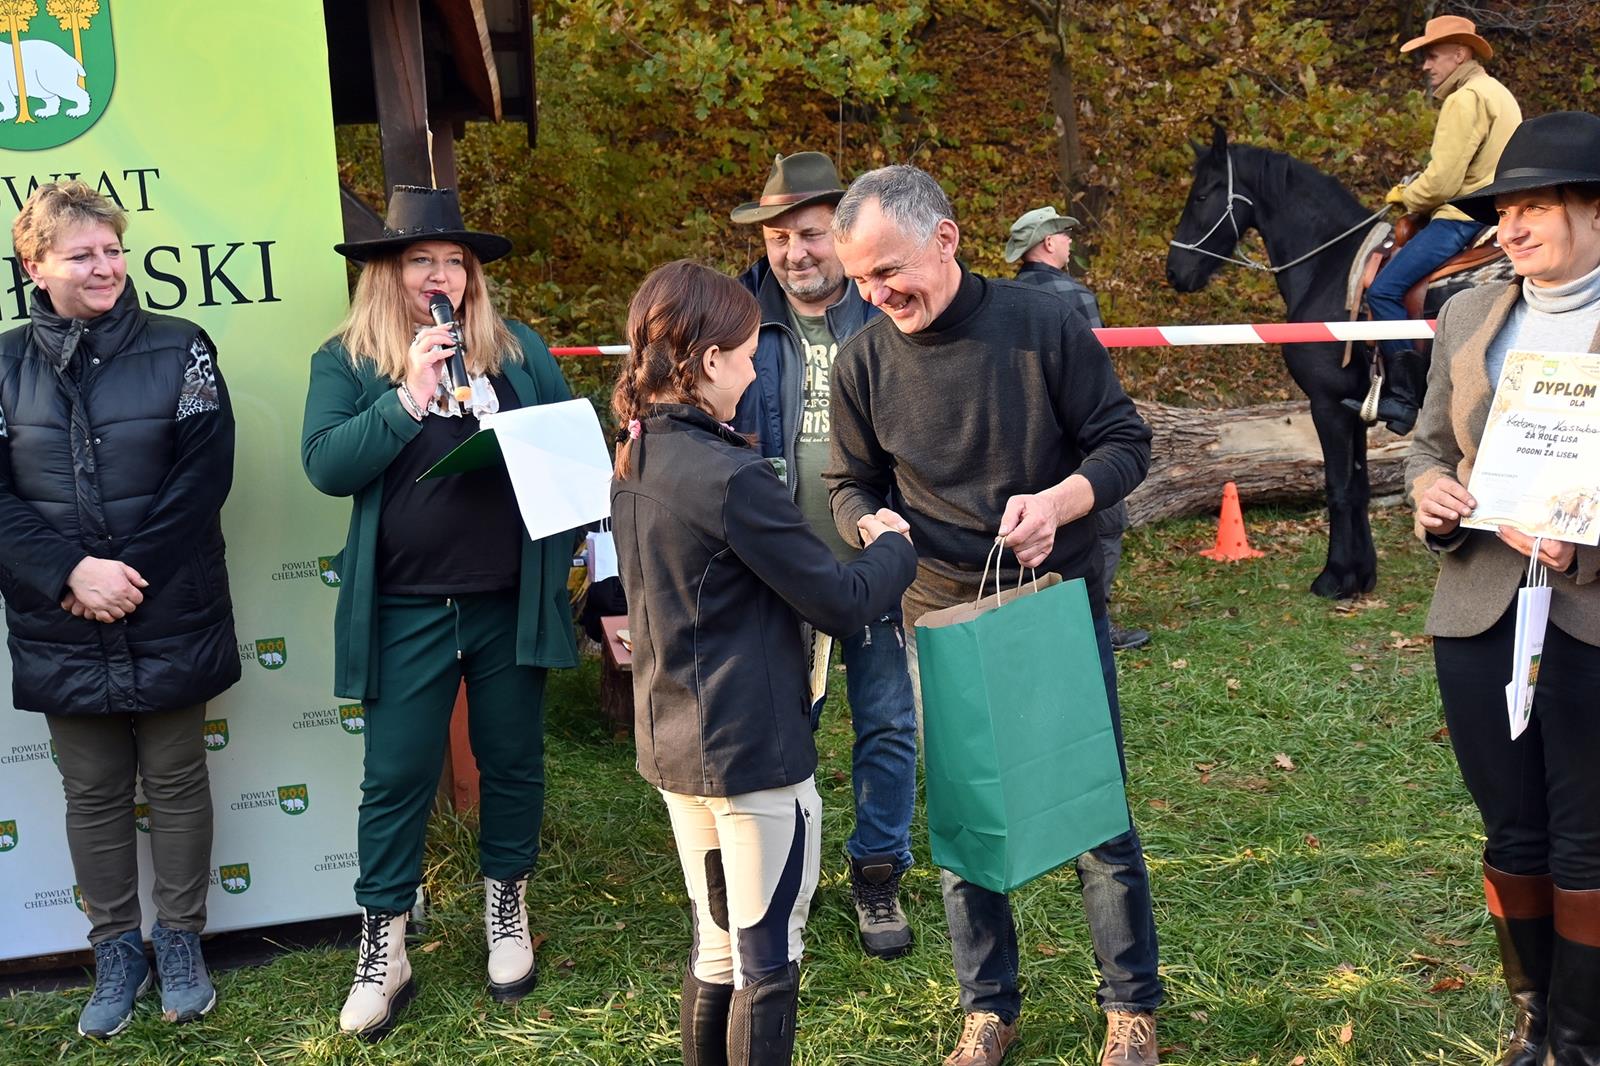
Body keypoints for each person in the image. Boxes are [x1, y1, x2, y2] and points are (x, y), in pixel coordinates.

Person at [827, 166, 1162, 1066]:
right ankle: (987, 1009)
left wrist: (1059, 501)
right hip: (941, 619)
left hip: (1052, 607)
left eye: (888, 270)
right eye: (860, 279)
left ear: (946, 238)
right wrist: (869, 523)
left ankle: (1130, 1007)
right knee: (967, 821)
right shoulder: (862, 361)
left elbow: (1125, 443)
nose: (875, 294)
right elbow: (848, 483)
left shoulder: (1043, 324)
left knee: (1093, 810)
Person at [610, 260, 916, 1065]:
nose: (753, 375)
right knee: (766, 959)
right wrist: (892, 546)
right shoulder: (733, 477)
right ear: (709, 360)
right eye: (747, 357)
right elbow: (841, 600)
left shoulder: (636, 455)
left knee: (718, 947)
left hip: (676, 744)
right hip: (752, 751)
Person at [301, 186, 578, 1039]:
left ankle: (507, 912)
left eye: (454, 262)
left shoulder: (516, 350)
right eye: (421, 259)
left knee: (512, 759)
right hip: (405, 607)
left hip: (505, 600)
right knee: (395, 775)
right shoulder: (347, 360)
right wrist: (408, 396)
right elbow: (326, 466)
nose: (441, 276)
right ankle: (384, 949)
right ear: (387, 272)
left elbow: (570, 451)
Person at [0, 180, 238, 1037]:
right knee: (93, 790)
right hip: (57, 615)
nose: (105, 267)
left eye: (113, 250)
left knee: (176, 779)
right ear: (36, 265)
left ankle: (179, 940)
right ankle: (114, 951)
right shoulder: (2, 363)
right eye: (82, 255)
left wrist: (124, 576)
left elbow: (204, 474)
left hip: (169, 603)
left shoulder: (183, 345)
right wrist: (69, 572)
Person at [1407, 111, 1600, 1066]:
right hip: (1481, 604)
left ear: (1594, 212)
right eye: (1503, 212)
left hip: (1589, 611)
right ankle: (1533, 1023)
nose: (1510, 229)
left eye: (1535, 209)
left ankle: (1582, 1038)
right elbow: (1426, 446)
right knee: (1511, 828)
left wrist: (1583, 543)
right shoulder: (1467, 313)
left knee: (1587, 836)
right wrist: (1431, 497)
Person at [728, 150, 921, 958]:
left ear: (841, 235)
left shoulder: (887, 310)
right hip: (778, 570)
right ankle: (783, 876)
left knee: (887, 721)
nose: (795, 253)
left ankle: (877, 874)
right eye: (779, 239)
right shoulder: (734, 316)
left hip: (872, 561)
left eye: (810, 235)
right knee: (782, 728)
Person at [1353, 14, 1520, 435]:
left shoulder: (1464, 99)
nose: (1426, 66)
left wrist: (1405, 195)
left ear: (1459, 54)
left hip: (1461, 217)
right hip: (1494, 211)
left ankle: (1404, 397)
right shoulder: (1499, 94)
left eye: (1432, 56)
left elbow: (1443, 181)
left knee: (1384, 290)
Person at [1005, 206, 1150, 653]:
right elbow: (1097, 376)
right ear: (1048, 242)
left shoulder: (1005, 297)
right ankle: (1091, 623)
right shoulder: (1074, 295)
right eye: (1064, 235)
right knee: (1106, 526)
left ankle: (1029, 620)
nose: (1070, 242)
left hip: (1021, 443)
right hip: (1080, 441)